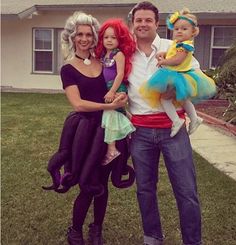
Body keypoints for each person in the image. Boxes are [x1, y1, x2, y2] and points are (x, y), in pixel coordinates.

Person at [128, 2, 202, 245]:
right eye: (138, 20)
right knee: (145, 190)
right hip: (140, 133)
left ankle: (192, 241)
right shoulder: (126, 54)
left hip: (174, 129)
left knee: (186, 190)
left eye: (148, 20)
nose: (143, 24)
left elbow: (197, 75)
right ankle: (152, 238)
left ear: (156, 23)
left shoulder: (173, 47)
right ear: (133, 23)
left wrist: (178, 92)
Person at [60, 11, 128, 245]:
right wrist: (107, 106)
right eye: (79, 34)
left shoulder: (105, 61)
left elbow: (116, 85)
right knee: (87, 181)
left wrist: (121, 97)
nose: (84, 38)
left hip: (109, 130)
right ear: (72, 37)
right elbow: (78, 104)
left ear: (94, 37)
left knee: (103, 181)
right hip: (86, 132)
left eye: (89, 34)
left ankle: (96, 227)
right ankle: (75, 229)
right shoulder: (68, 69)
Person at [139, 8, 216, 137]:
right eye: (177, 29)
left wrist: (164, 62)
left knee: (164, 99)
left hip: (179, 75)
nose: (179, 31)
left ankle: (176, 120)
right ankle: (194, 118)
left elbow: (177, 60)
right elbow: (172, 54)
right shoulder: (177, 44)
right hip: (179, 76)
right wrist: (164, 54)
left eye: (184, 29)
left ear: (193, 32)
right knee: (182, 98)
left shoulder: (185, 45)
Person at [95, 18, 136, 165]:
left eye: (113, 37)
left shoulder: (118, 54)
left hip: (116, 88)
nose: (109, 40)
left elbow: (119, 74)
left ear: (121, 39)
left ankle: (112, 149)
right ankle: (132, 126)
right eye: (106, 37)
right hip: (108, 89)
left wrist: (112, 91)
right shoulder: (103, 55)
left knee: (110, 114)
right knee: (115, 114)